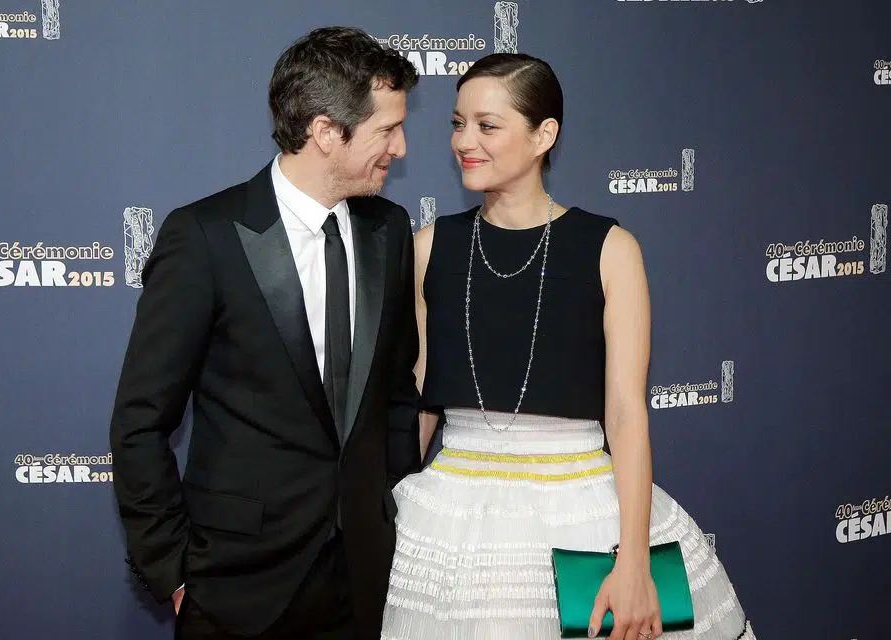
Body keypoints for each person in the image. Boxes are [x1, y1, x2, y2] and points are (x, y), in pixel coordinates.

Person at [380, 53, 756, 640]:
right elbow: (422, 399)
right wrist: (385, 513)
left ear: (543, 135)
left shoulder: (609, 248)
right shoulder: (431, 246)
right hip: (450, 513)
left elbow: (627, 412)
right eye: (457, 123)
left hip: (581, 504)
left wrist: (632, 562)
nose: (464, 141)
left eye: (487, 125)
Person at [109, 27, 421, 640]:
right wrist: (174, 571)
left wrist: (392, 512)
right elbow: (140, 421)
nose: (402, 148)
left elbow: (395, 395)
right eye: (387, 130)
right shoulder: (205, 236)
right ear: (326, 131)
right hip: (236, 589)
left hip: (362, 584)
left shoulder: (389, 229)